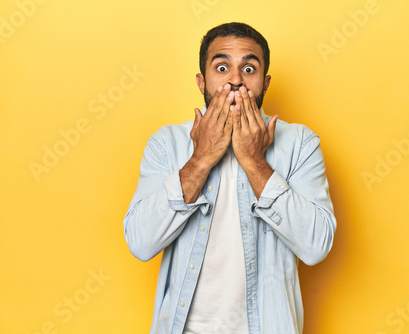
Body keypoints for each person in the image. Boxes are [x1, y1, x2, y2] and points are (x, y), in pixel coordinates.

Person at [123, 22, 336, 334]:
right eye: (222, 67)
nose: (236, 80)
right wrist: (201, 158)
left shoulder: (300, 143)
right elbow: (141, 243)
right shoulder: (167, 143)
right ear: (201, 81)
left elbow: (317, 246)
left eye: (248, 69)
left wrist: (254, 161)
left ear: (265, 82)